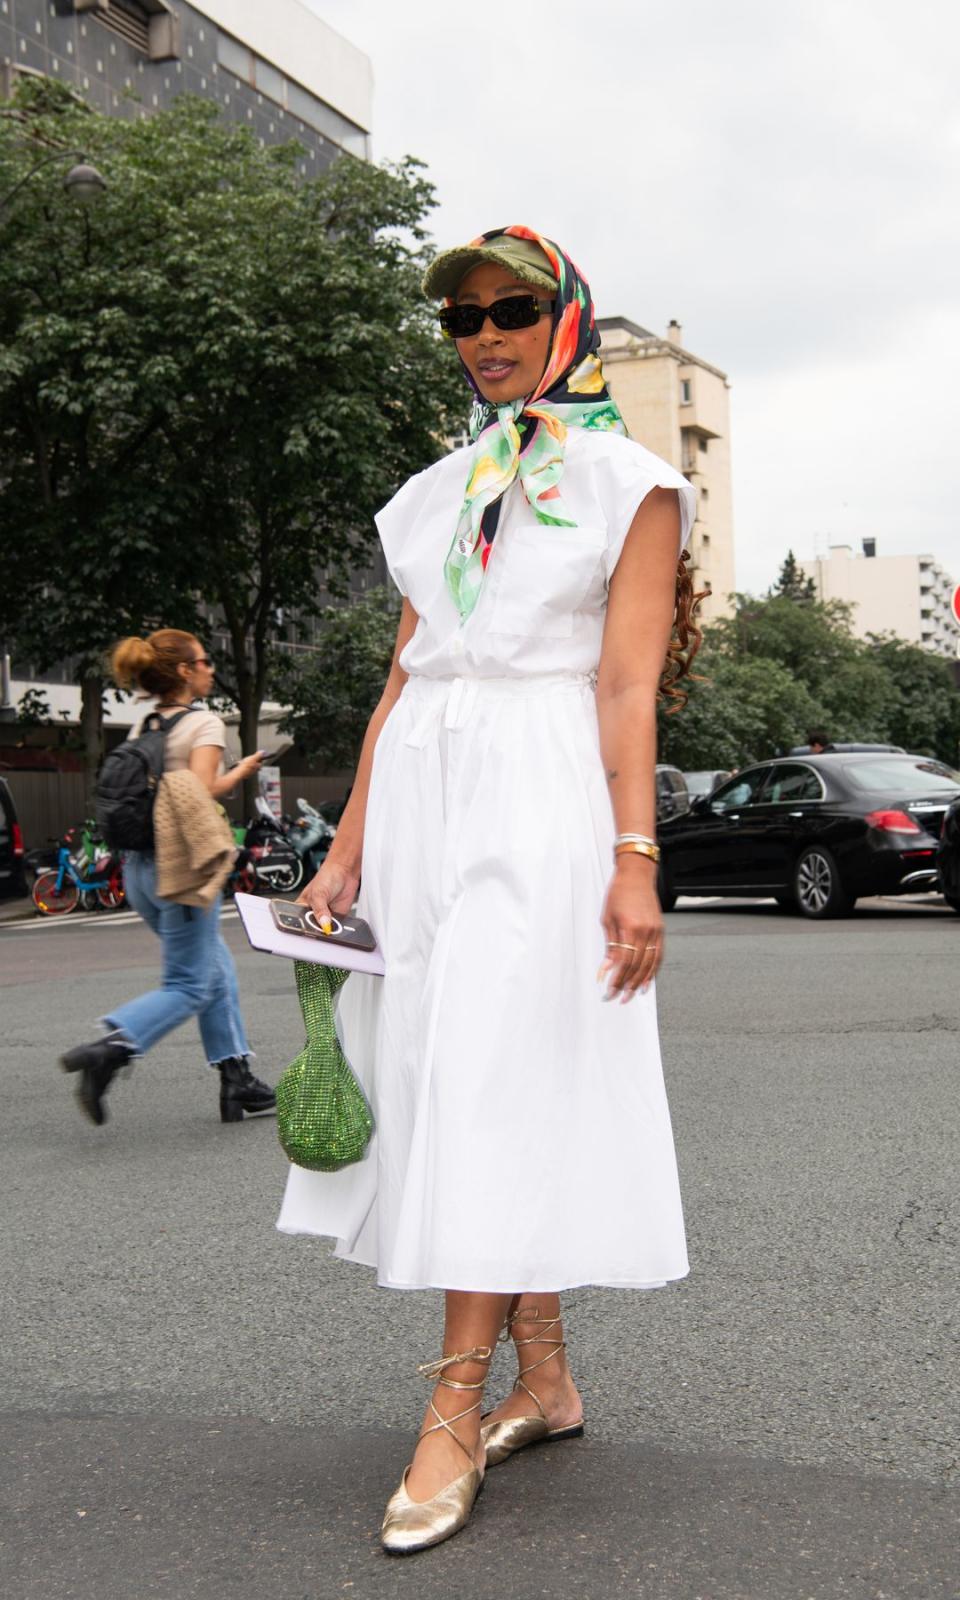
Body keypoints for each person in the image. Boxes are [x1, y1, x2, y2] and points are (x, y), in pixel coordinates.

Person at [277, 227, 703, 1554]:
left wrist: (637, 862)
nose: (487, 334)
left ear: (559, 316)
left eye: (512, 308)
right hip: (422, 791)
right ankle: (547, 1378)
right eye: (464, 320)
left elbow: (626, 684)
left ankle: (453, 1410)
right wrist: (345, 846)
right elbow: (404, 673)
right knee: (441, 1075)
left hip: (538, 790)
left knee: (483, 1075)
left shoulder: (629, 482)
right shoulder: (435, 490)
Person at [60, 630, 276, 1127]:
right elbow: (201, 793)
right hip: (178, 871)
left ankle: (236, 1079)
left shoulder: (146, 725)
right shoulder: (203, 723)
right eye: (203, 661)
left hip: (138, 871)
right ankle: (113, 1046)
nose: (211, 668)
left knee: (214, 966)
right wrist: (240, 771)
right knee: (189, 984)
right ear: (184, 671)